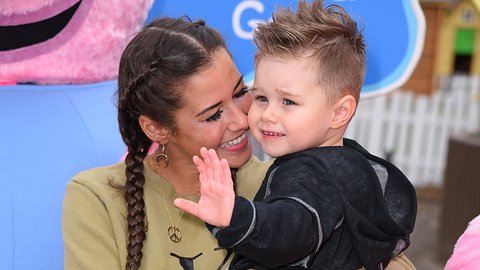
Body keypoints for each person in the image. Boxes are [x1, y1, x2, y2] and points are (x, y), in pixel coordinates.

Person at [174, 1, 417, 269]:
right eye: (262, 97)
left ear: (340, 112)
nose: (267, 115)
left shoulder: (311, 173)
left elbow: (292, 229)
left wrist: (236, 217)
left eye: (288, 102)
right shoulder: (349, 165)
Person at [62, 17, 270, 270]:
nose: (241, 120)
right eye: (213, 115)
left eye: (240, 94)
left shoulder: (279, 183)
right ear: (157, 129)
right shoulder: (96, 197)